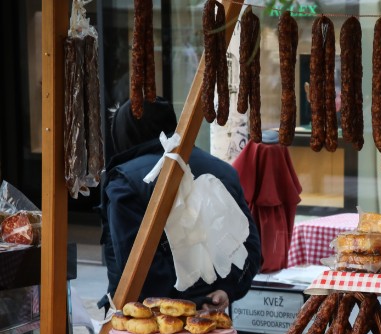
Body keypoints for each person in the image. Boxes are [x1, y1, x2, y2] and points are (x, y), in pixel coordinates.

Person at [98, 98, 262, 312]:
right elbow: (249, 245)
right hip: (212, 316)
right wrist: (226, 290)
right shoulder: (223, 170)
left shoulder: (124, 181)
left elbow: (134, 265)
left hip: (150, 323)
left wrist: (188, 302)